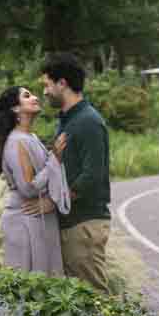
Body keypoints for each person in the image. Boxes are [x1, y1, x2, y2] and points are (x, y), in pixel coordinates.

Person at [41, 52, 111, 293]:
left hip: (84, 224)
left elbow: (93, 175)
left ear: (62, 83)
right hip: (72, 223)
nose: (45, 92)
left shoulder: (88, 121)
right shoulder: (68, 120)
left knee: (94, 296)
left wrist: (55, 202)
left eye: (47, 85)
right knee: (81, 300)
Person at [0, 84, 69, 274]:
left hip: (39, 217)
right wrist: (55, 158)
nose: (35, 97)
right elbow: (28, 188)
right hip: (25, 220)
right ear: (15, 108)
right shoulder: (17, 141)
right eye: (27, 96)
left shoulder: (30, 137)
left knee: (45, 282)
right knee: (30, 283)